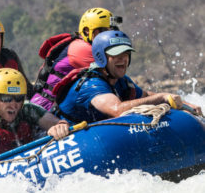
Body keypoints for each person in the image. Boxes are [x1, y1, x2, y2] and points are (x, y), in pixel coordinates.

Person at [53, 30, 203, 123]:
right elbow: (117, 110)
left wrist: (185, 104)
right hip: (67, 139)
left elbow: (146, 95)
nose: (123, 59)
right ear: (101, 57)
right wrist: (161, 98)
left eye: (126, 54)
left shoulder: (121, 81)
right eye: (116, 54)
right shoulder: (91, 85)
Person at [31, 7, 122, 111]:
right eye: (104, 31)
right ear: (87, 31)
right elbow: (113, 72)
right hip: (44, 109)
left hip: (56, 107)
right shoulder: (81, 49)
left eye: (111, 31)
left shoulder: (90, 47)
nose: (109, 36)